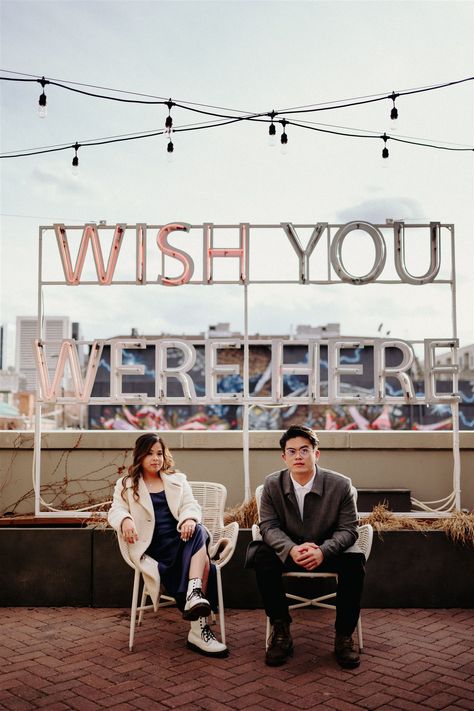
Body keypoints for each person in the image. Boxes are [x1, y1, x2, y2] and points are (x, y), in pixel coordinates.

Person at [251, 425, 365, 668]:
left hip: (328, 550)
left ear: (317, 453)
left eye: (304, 450)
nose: (298, 456)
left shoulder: (341, 485)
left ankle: (344, 635)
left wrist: (323, 551)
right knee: (261, 555)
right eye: (291, 452)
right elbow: (268, 526)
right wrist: (291, 548)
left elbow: (349, 529)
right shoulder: (272, 484)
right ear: (284, 457)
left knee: (355, 562)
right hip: (290, 551)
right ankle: (281, 629)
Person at [108, 432, 228, 657]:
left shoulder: (177, 480)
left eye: (159, 453)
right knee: (203, 560)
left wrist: (189, 519)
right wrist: (124, 520)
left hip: (181, 540)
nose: (156, 458)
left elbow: (191, 505)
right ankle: (198, 628)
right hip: (153, 549)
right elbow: (116, 509)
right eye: (150, 453)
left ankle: (194, 596)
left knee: (198, 530)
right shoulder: (126, 484)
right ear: (140, 456)